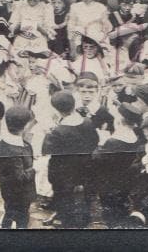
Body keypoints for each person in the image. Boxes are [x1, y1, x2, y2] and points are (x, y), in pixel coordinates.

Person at [43, 90, 99, 228]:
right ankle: (81, 219)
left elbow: (47, 150)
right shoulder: (87, 122)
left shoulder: (58, 131)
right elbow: (95, 141)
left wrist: (48, 133)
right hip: (84, 167)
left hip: (63, 172)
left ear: (57, 110)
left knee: (63, 196)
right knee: (80, 196)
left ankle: (66, 222)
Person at [0, 105, 37, 228]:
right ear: (25, 126)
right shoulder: (15, 150)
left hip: (9, 192)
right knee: (21, 218)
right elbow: (19, 177)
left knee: (9, 213)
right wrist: (35, 169)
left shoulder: (8, 143)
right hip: (20, 195)